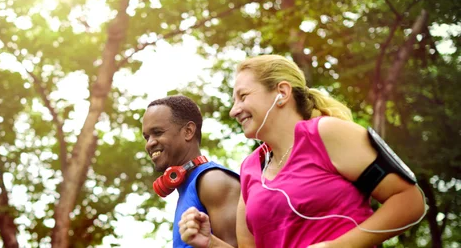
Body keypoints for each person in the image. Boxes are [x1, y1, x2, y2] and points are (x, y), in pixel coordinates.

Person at [178, 55, 426, 248]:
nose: (234, 110)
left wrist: (337, 245)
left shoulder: (327, 134)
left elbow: (410, 201)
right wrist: (209, 242)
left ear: (282, 93)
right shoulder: (251, 168)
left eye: (243, 96)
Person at [142, 95, 241, 247]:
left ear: (188, 131)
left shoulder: (213, 181)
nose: (150, 143)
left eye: (158, 132)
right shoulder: (188, 186)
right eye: (146, 137)